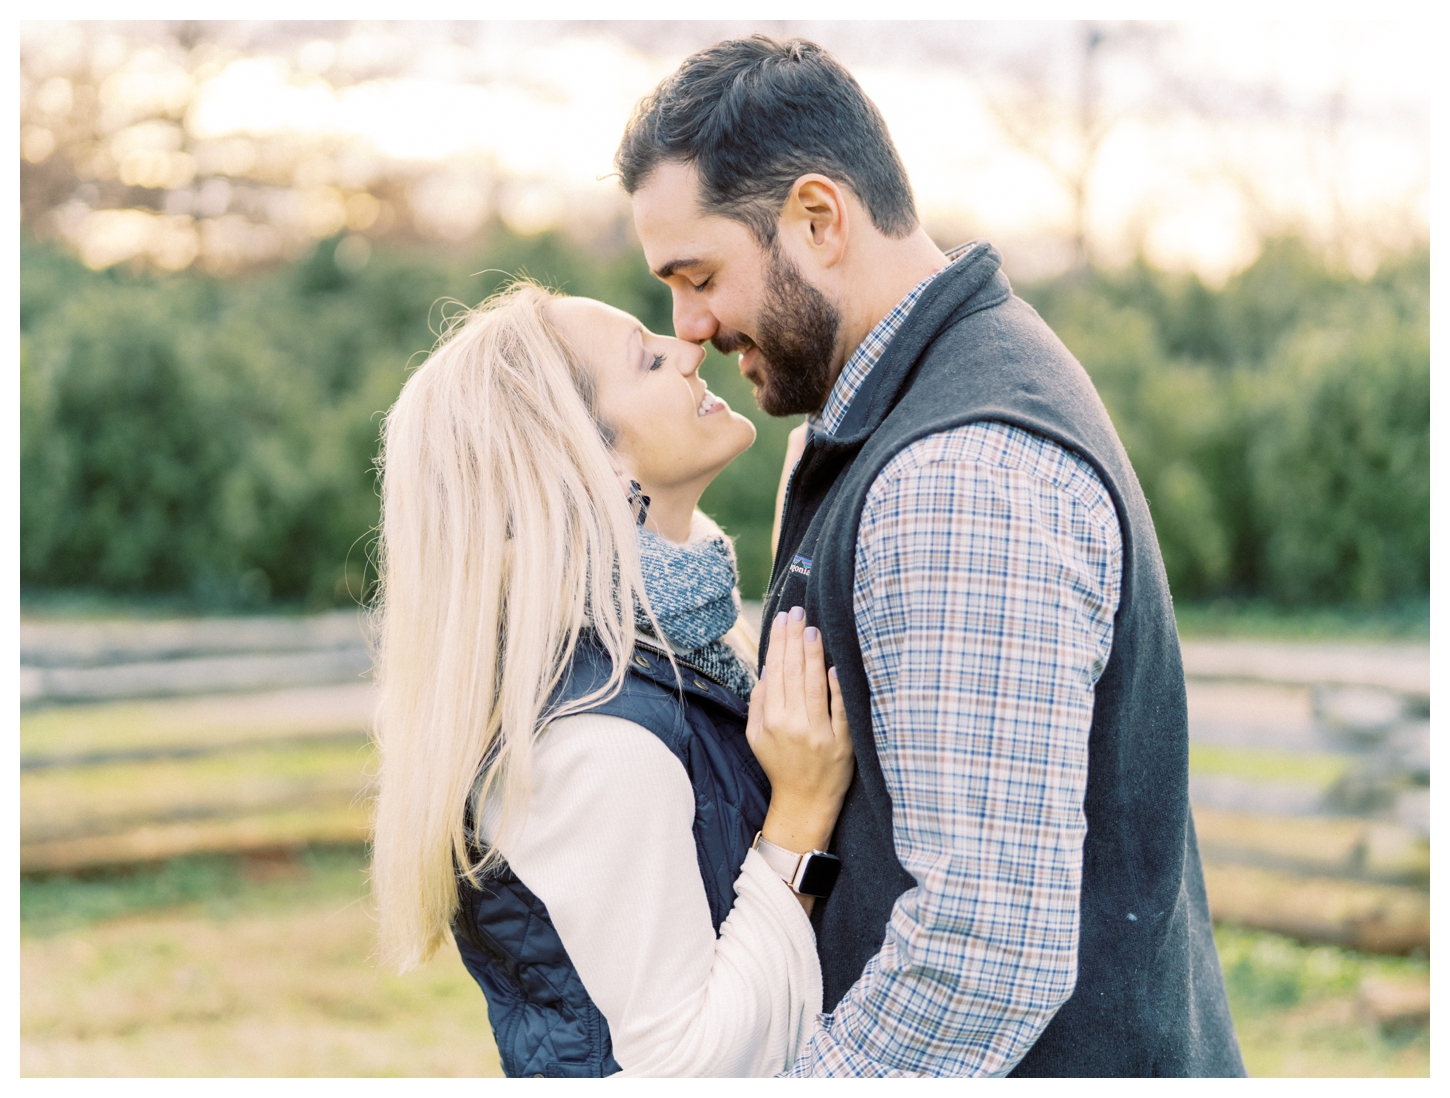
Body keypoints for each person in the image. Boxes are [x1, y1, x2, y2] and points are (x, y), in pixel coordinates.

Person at [615, 35, 1246, 1077]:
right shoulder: (882, 419)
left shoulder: (957, 471)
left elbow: (979, 948)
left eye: (701, 275)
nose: (688, 327)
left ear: (817, 219)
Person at [369, 281, 857, 1077]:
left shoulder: (676, 647)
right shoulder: (595, 745)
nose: (688, 347)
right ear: (586, 459)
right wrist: (800, 815)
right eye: (646, 357)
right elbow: (688, 1069)